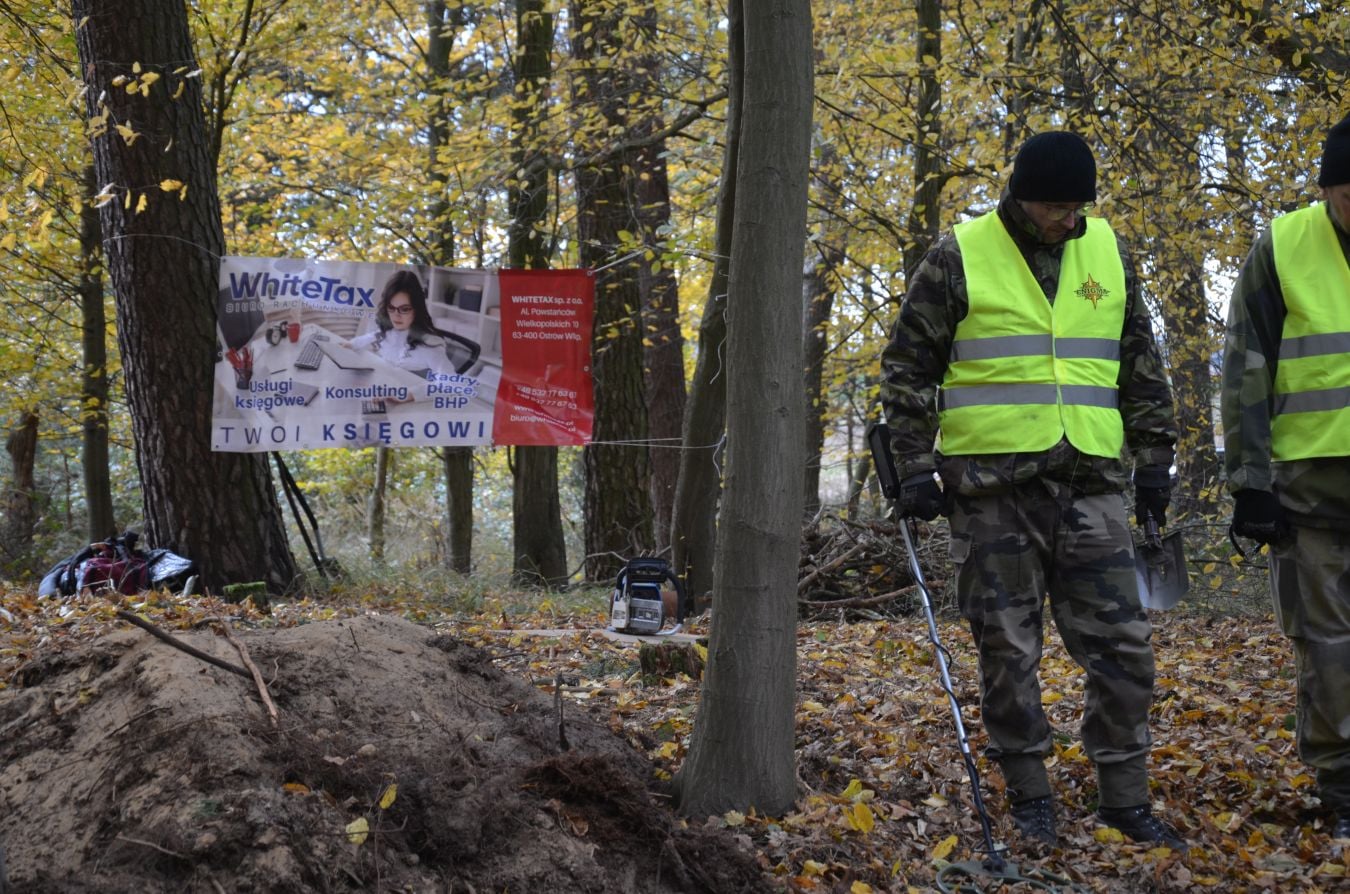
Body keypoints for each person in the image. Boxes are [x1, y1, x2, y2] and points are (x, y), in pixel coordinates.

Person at [879, 131, 1182, 849]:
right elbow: (908, 369)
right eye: (1052, 204)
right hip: (991, 491)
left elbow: (1140, 358)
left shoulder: (1106, 251)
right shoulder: (958, 255)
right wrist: (915, 466)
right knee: (1008, 652)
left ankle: (1126, 797)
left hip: (1092, 482)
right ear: (1019, 194)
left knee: (1125, 646)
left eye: (1076, 205)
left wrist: (1154, 459)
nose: (1064, 218)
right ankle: (1030, 791)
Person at [1221, 112, 1350, 840]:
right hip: (1311, 490)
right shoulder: (1284, 247)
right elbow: (1246, 365)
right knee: (1327, 649)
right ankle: (1343, 787)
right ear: (1328, 189)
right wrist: (1249, 480)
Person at [346, 270, 476, 378]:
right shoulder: (388, 333)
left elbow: (449, 382)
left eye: (404, 309)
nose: (396, 315)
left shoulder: (430, 346)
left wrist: (412, 396)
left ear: (416, 309)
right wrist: (349, 345)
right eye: (391, 308)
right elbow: (369, 337)